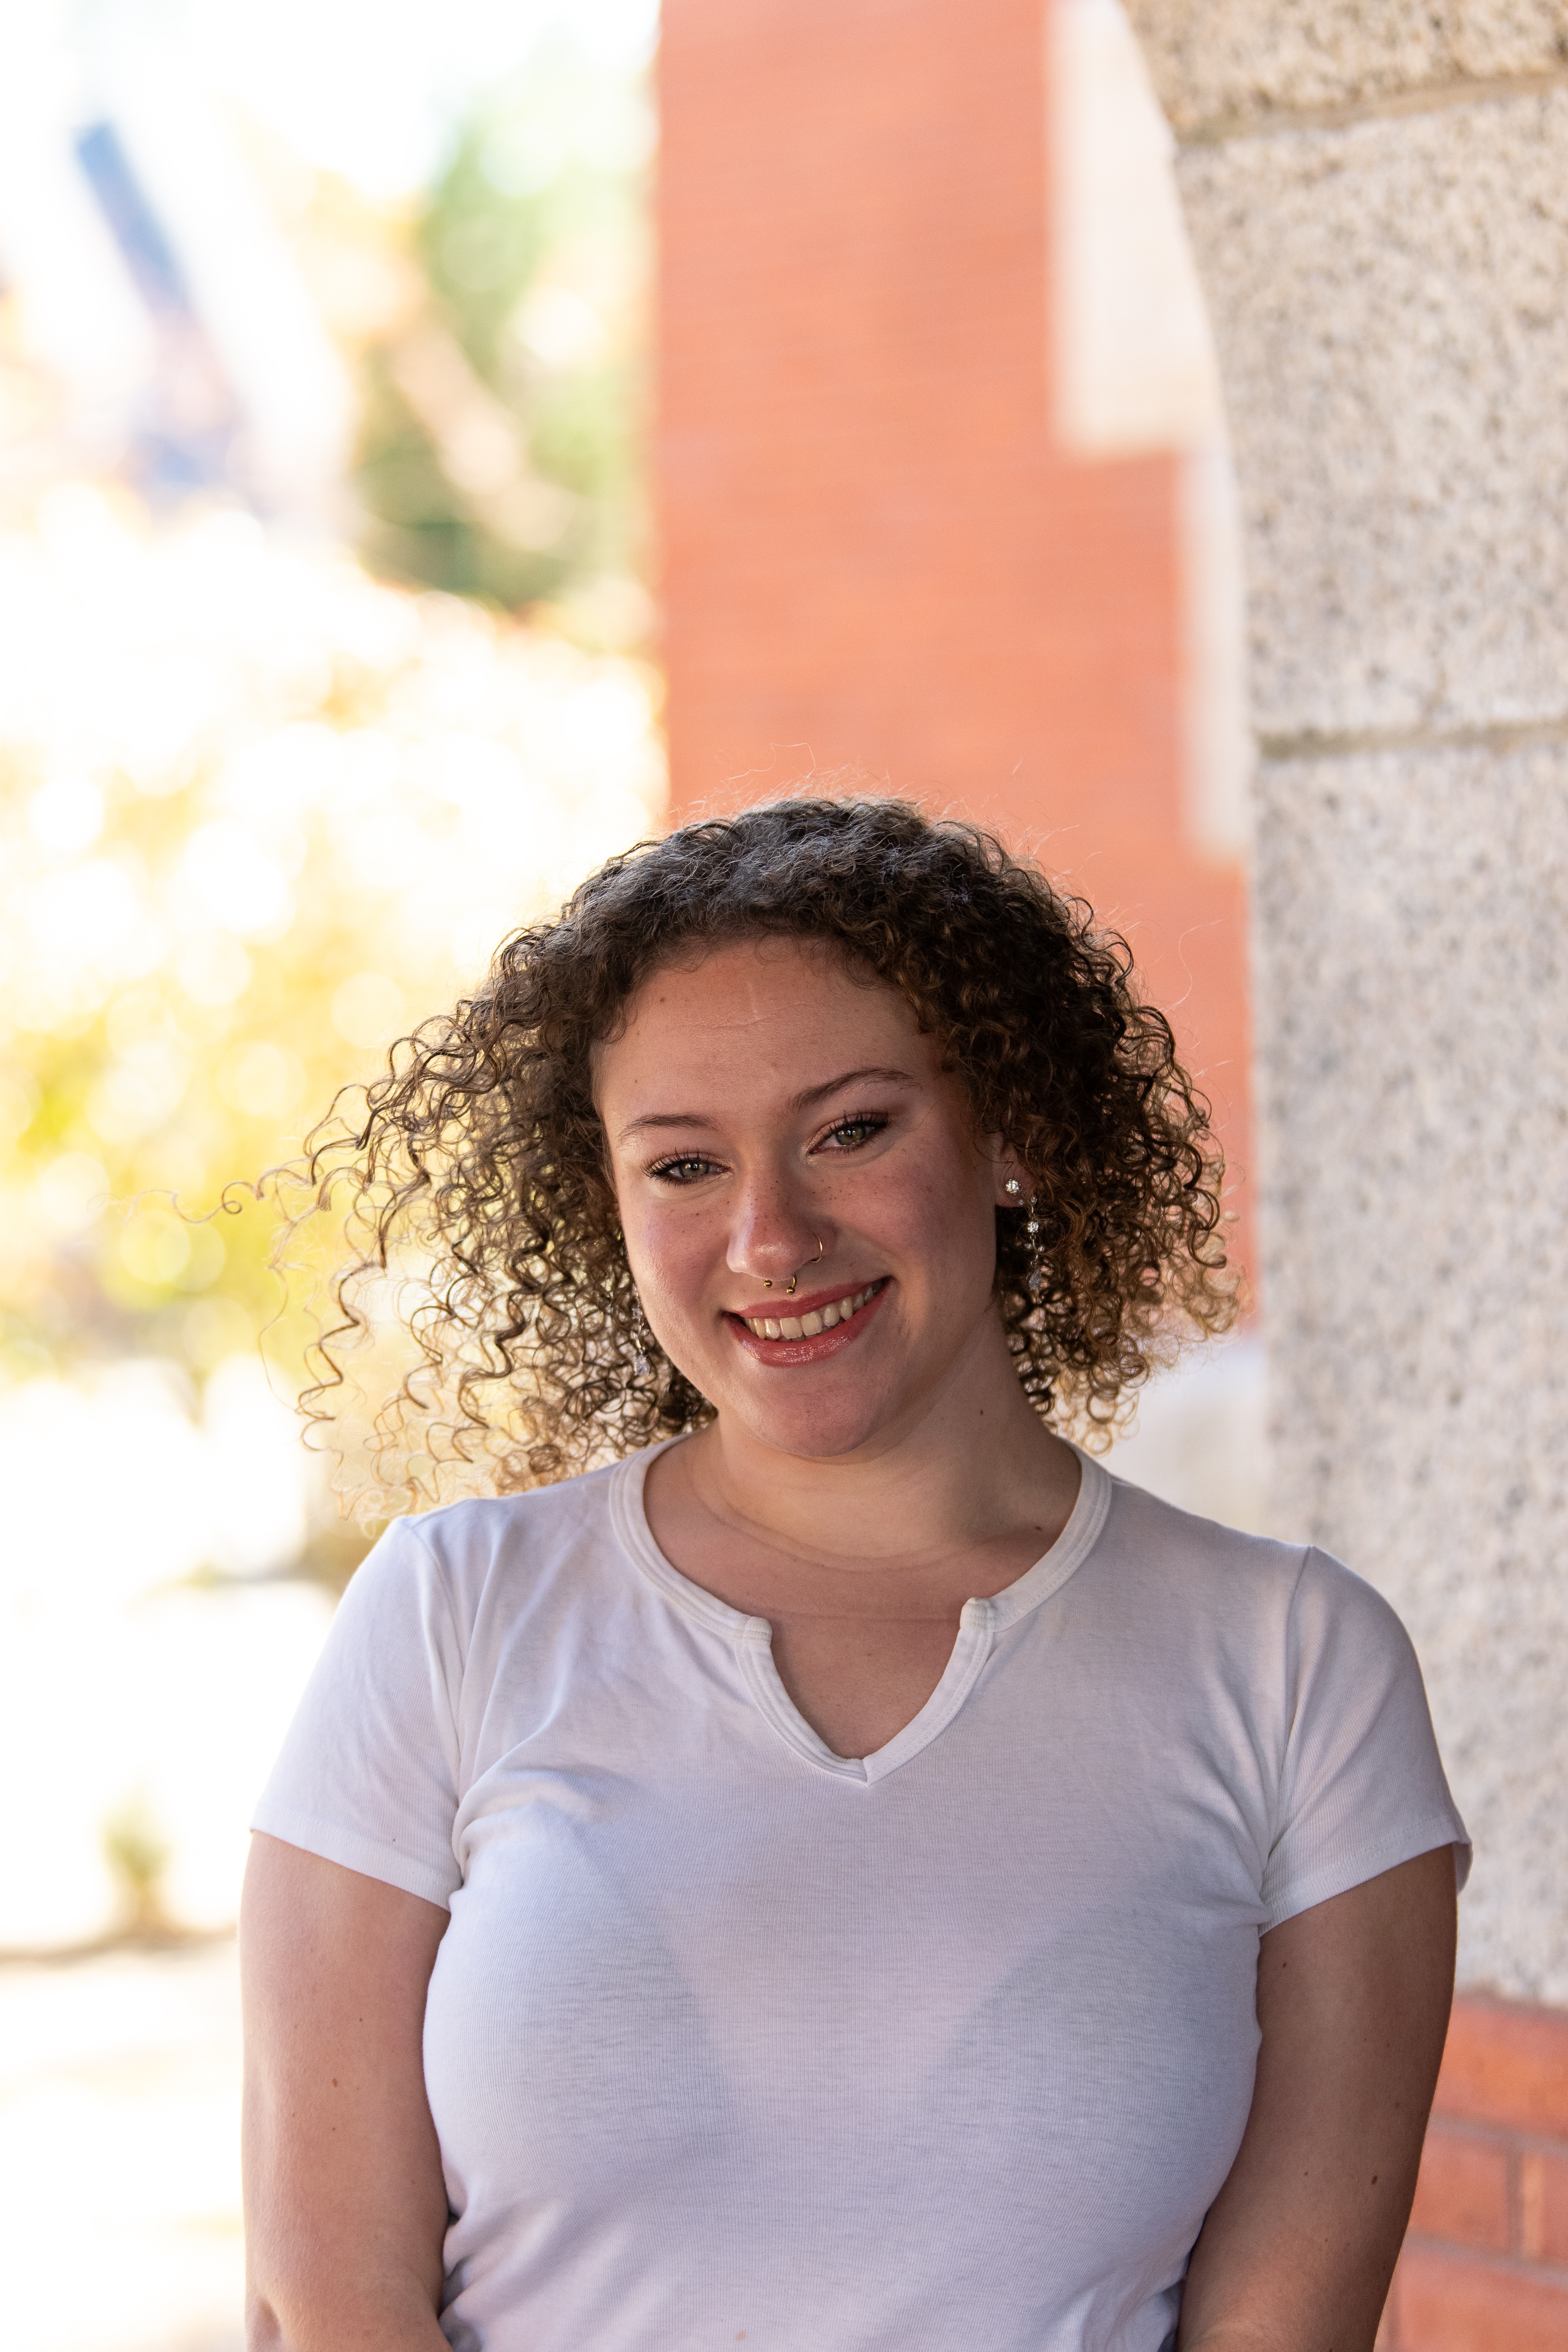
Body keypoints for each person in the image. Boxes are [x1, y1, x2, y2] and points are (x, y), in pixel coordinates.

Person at [241, 797, 1468, 2352]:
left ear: (1009, 1131)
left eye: (852, 1131)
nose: (769, 1238)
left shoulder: (1295, 1667)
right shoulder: (453, 1614)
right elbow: (324, 2297)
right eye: (683, 1164)